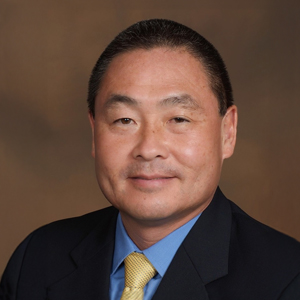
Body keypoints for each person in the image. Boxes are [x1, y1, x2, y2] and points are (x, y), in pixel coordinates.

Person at [1, 19, 300, 300]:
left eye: (179, 118)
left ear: (227, 132)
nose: (148, 148)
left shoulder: (287, 280)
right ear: (94, 133)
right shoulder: (37, 258)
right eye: (124, 120)